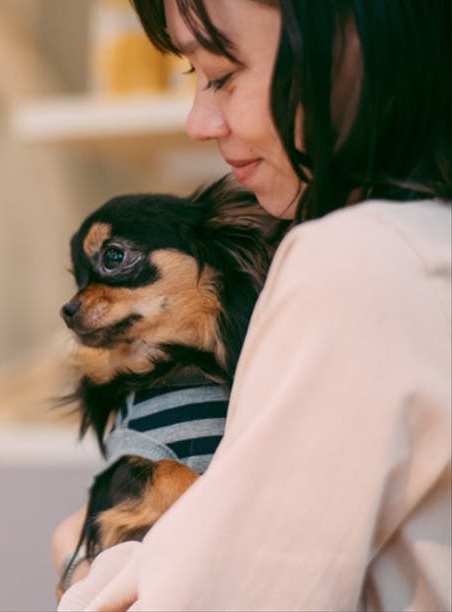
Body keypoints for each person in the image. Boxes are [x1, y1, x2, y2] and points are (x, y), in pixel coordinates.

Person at [53, 0, 451, 609]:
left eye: (219, 74)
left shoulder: (359, 263)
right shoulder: (423, 243)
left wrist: (78, 561)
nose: (199, 121)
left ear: (356, 36)